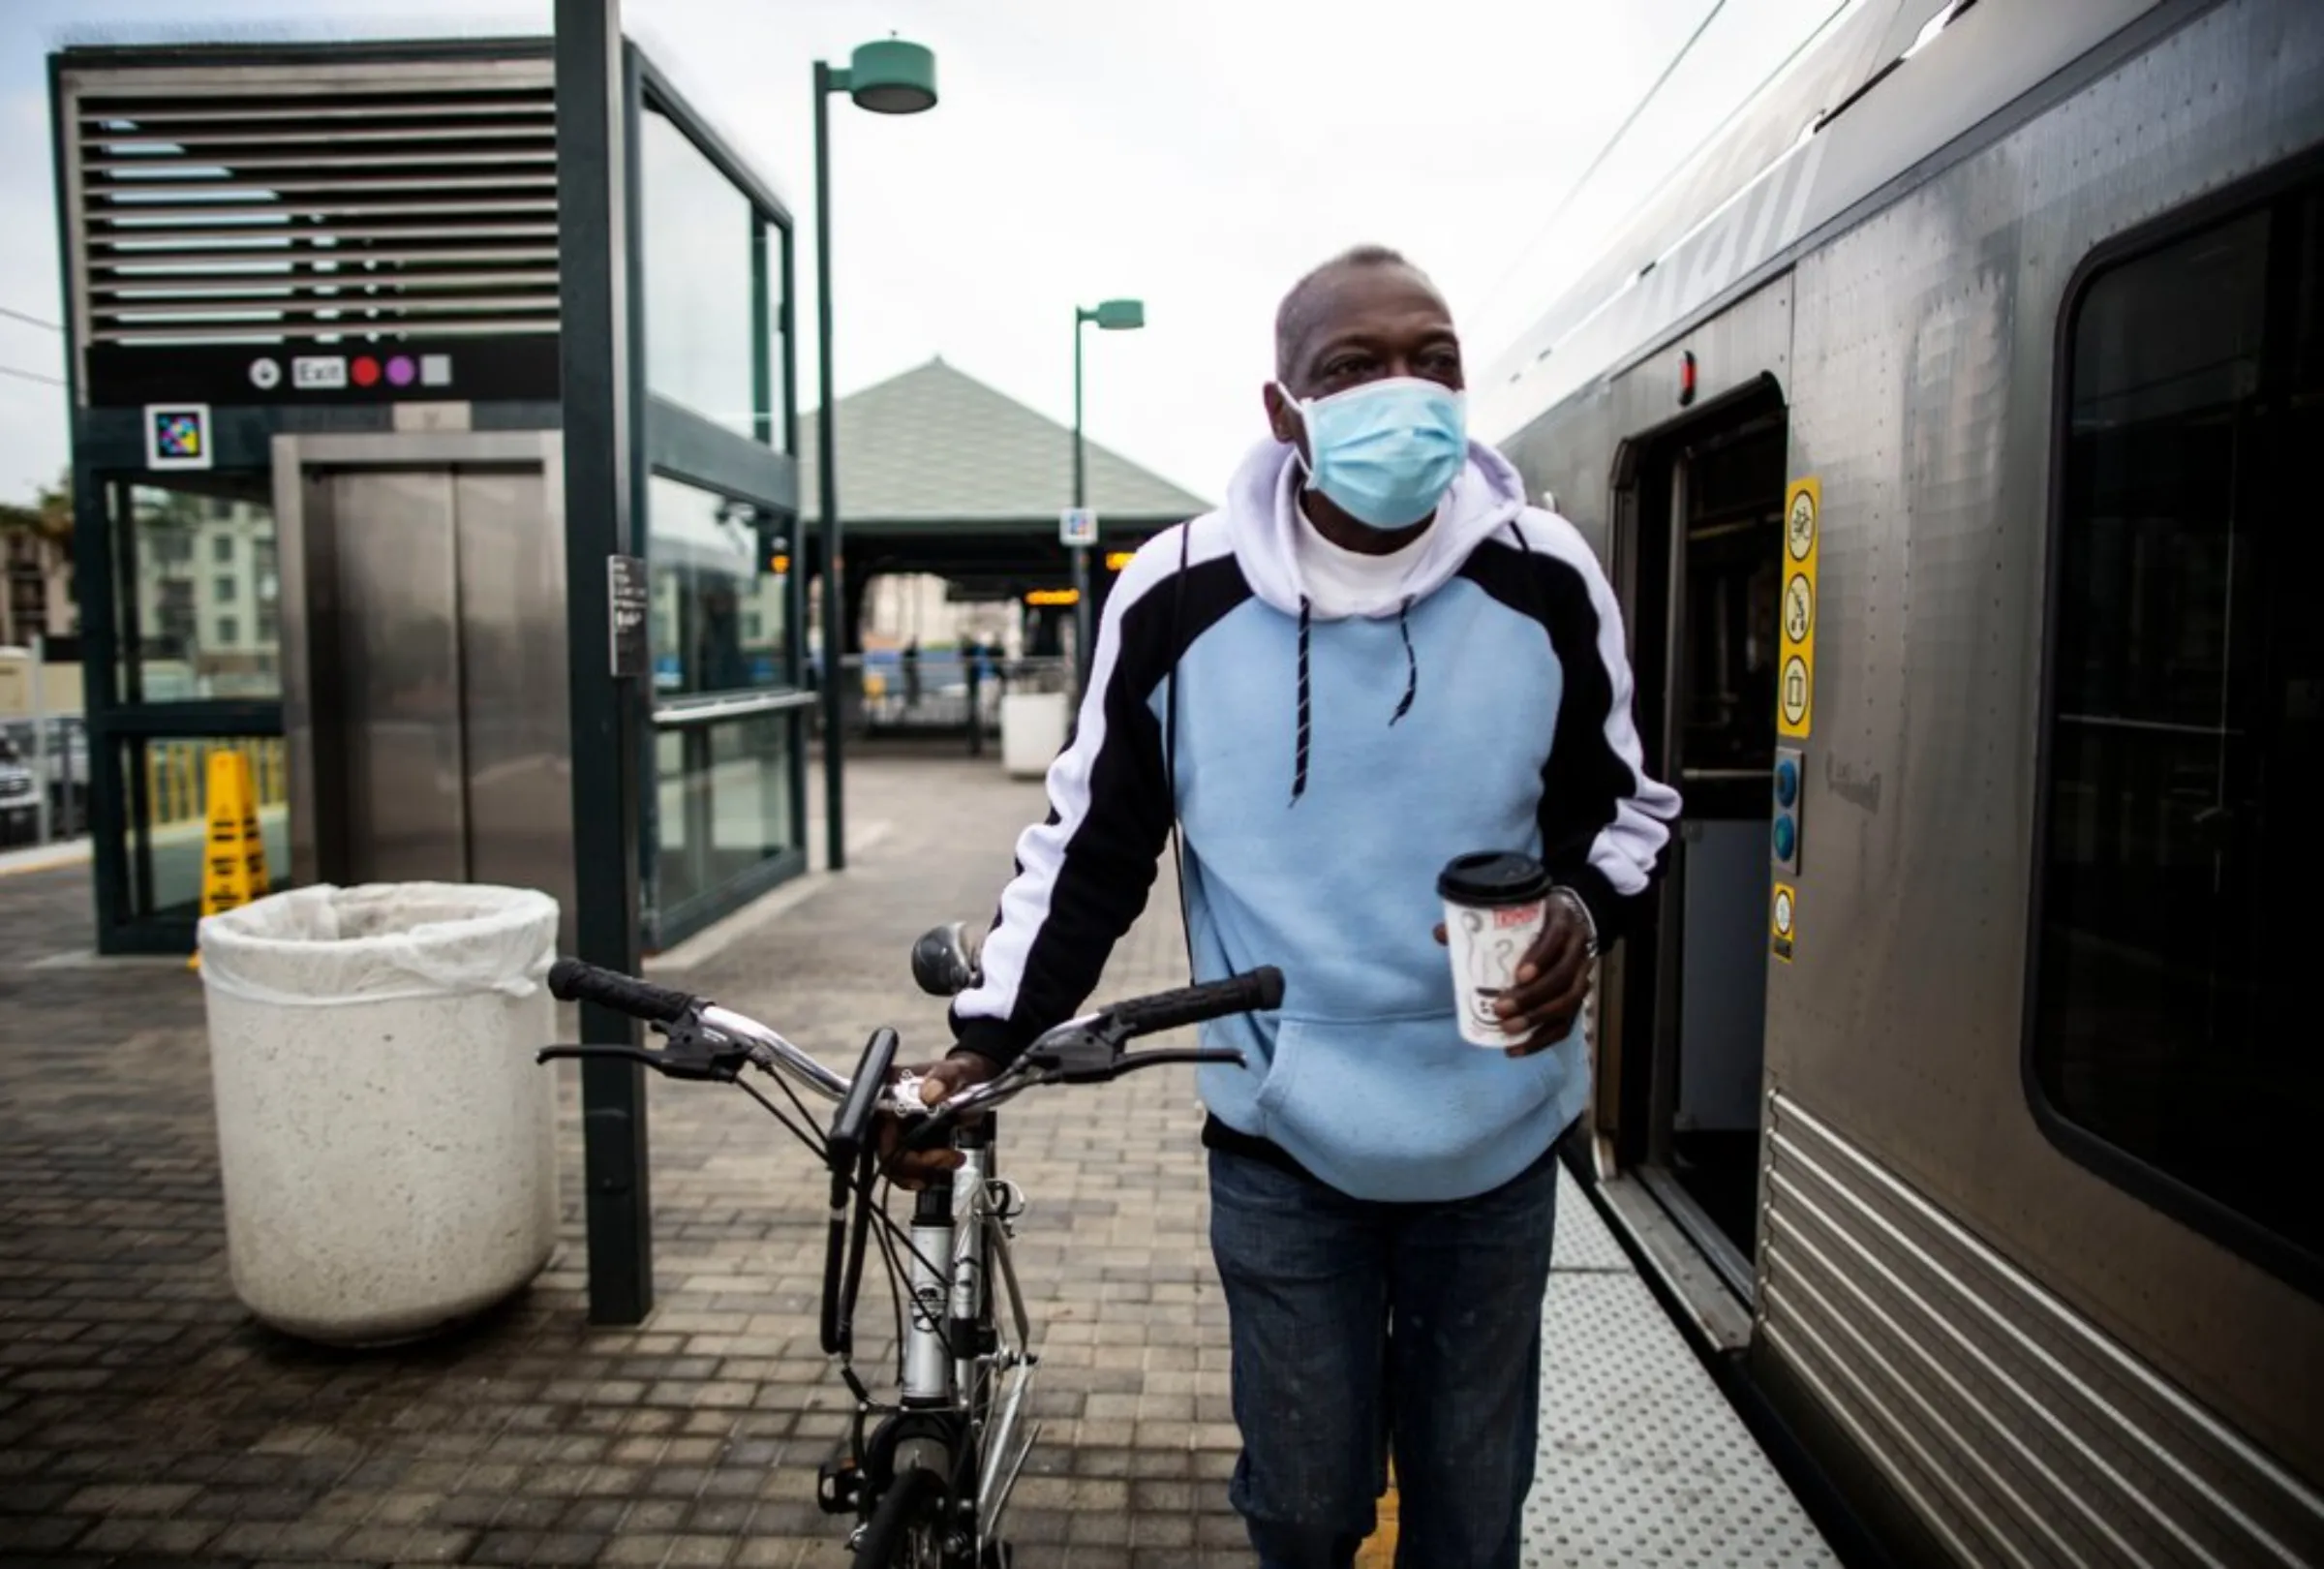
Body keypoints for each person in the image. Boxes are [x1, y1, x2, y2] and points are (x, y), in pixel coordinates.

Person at [895, 245, 1681, 1569]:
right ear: (1283, 412)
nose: (1404, 392)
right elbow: (1091, 849)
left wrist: (1580, 921)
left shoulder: (1546, 575)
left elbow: (1632, 810)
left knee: (1471, 1517)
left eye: (1434, 361)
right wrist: (981, 1047)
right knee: (1306, 1510)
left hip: (1494, 1135)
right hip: (1282, 1143)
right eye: (1354, 367)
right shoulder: (1179, 597)